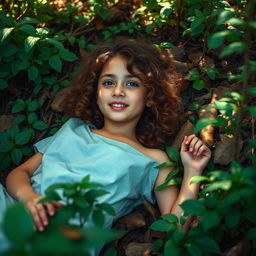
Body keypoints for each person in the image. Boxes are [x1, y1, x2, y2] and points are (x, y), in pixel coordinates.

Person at [0, 39, 211, 254]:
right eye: (108, 82)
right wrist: (29, 197)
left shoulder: (154, 160)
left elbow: (173, 228)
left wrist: (192, 172)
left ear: (149, 96)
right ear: (96, 93)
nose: (118, 91)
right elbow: (20, 172)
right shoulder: (73, 129)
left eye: (131, 83)